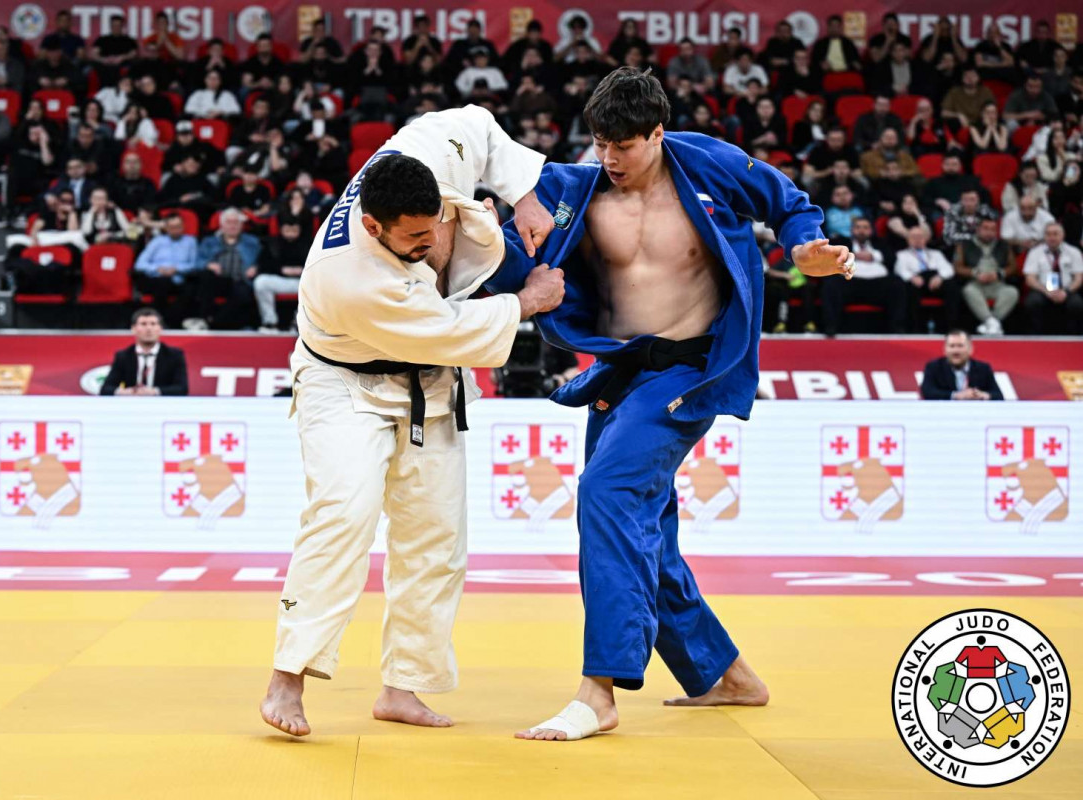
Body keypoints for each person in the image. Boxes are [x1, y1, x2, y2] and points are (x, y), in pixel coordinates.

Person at [486, 68, 853, 742]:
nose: (610, 158)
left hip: (689, 373)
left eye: (624, 145)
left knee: (608, 493)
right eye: (600, 143)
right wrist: (485, 236)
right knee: (640, 531)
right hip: (620, 373)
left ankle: (599, 690)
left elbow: (788, 202)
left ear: (657, 133)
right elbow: (514, 263)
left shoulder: (708, 163)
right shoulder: (572, 190)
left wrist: (805, 246)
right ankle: (725, 674)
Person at [259, 105, 560, 738]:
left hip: (429, 382)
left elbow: (478, 123)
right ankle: (289, 675)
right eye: (413, 240)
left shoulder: (426, 150)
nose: (427, 245)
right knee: (343, 513)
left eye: (433, 229)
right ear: (373, 226)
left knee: (436, 536)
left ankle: (404, 686)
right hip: (347, 382)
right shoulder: (352, 276)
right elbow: (447, 331)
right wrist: (527, 301)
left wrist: (525, 194)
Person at [825, 217, 906, 336]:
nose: (861, 231)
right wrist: (853, 255)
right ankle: (831, 327)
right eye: (858, 227)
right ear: (852, 230)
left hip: (878, 285)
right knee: (831, 284)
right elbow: (831, 257)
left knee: (897, 284)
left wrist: (873, 256)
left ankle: (897, 328)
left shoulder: (880, 243)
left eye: (865, 228)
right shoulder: (843, 243)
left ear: (871, 231)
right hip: (850, 283)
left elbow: (891, 258)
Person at [187, 209, 261, 330]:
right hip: (218, 280)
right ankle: (205, 317)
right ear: (222, 225)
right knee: (205, 277)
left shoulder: (252, 242)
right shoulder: (209, 242)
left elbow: (264, 261)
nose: (232, 226)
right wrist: (208, 264)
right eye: (229, 222)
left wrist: (256, 268)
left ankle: (212, 323)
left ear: (241, 225)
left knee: (242, 293)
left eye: (236, 222)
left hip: (241, 280)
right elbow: (196, 263)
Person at [99, 308, 189, 396]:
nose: (149, 328)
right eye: (143, 324)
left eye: (153, 324)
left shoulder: (174, 355)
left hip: (162, 404)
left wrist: (155, 392)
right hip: (132, 403)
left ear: (160, 328)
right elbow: (105, 389)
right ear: (133, 329)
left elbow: (182, 388)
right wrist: (125, 392)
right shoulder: (123, 356)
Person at [133, 212, 199, 326]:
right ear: (166, 228)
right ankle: (158, 321)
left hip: (181, 279)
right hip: (157, 278)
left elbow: (194, 264)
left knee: (191, 289)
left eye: (178, 226)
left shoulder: (191, 242)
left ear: (183, 226)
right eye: (172, 227)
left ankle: (173, 323)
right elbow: (140, 264)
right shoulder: (157, 241)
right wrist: (157, 269)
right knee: (162, 283)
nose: (176, 230)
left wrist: (177, 269)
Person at [894, 225, 961, 331]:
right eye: (913, 237)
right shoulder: (902, 255)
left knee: (952, 286)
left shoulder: (936, 253)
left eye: (920, 237)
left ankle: (951, 327)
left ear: (926, 239)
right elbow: (900, 270)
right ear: (908, 240)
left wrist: (940, 277)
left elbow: (948, 269)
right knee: (906, 289)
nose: (917, 240)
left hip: (935, 281)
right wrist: (912, 277)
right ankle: (916, 329)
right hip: (916, 281)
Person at [1022, 222, 1083, 335]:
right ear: (1044, 236)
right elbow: (1030, 279)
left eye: (1055, 234)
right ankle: (1036, 337)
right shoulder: (1035, 252)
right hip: (1043, 290)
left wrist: (1066, 292)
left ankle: (1072, 337)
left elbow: (1079, 278)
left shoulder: (1074, 252)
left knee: (1076, 304)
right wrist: (1047, 291)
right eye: (1048, 234)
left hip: (1067, 290)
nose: (1052, 238)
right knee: (1033, 302)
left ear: (1063, 235)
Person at [920, 330, 1002, 400]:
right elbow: (927, 392)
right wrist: (956, 396)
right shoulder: (934, 367)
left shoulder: (983, 369)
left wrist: (984, 395)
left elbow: (998, 395)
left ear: (970, 349)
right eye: (952, 346)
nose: (956, 351)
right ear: (945, 349)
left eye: (960, 346)